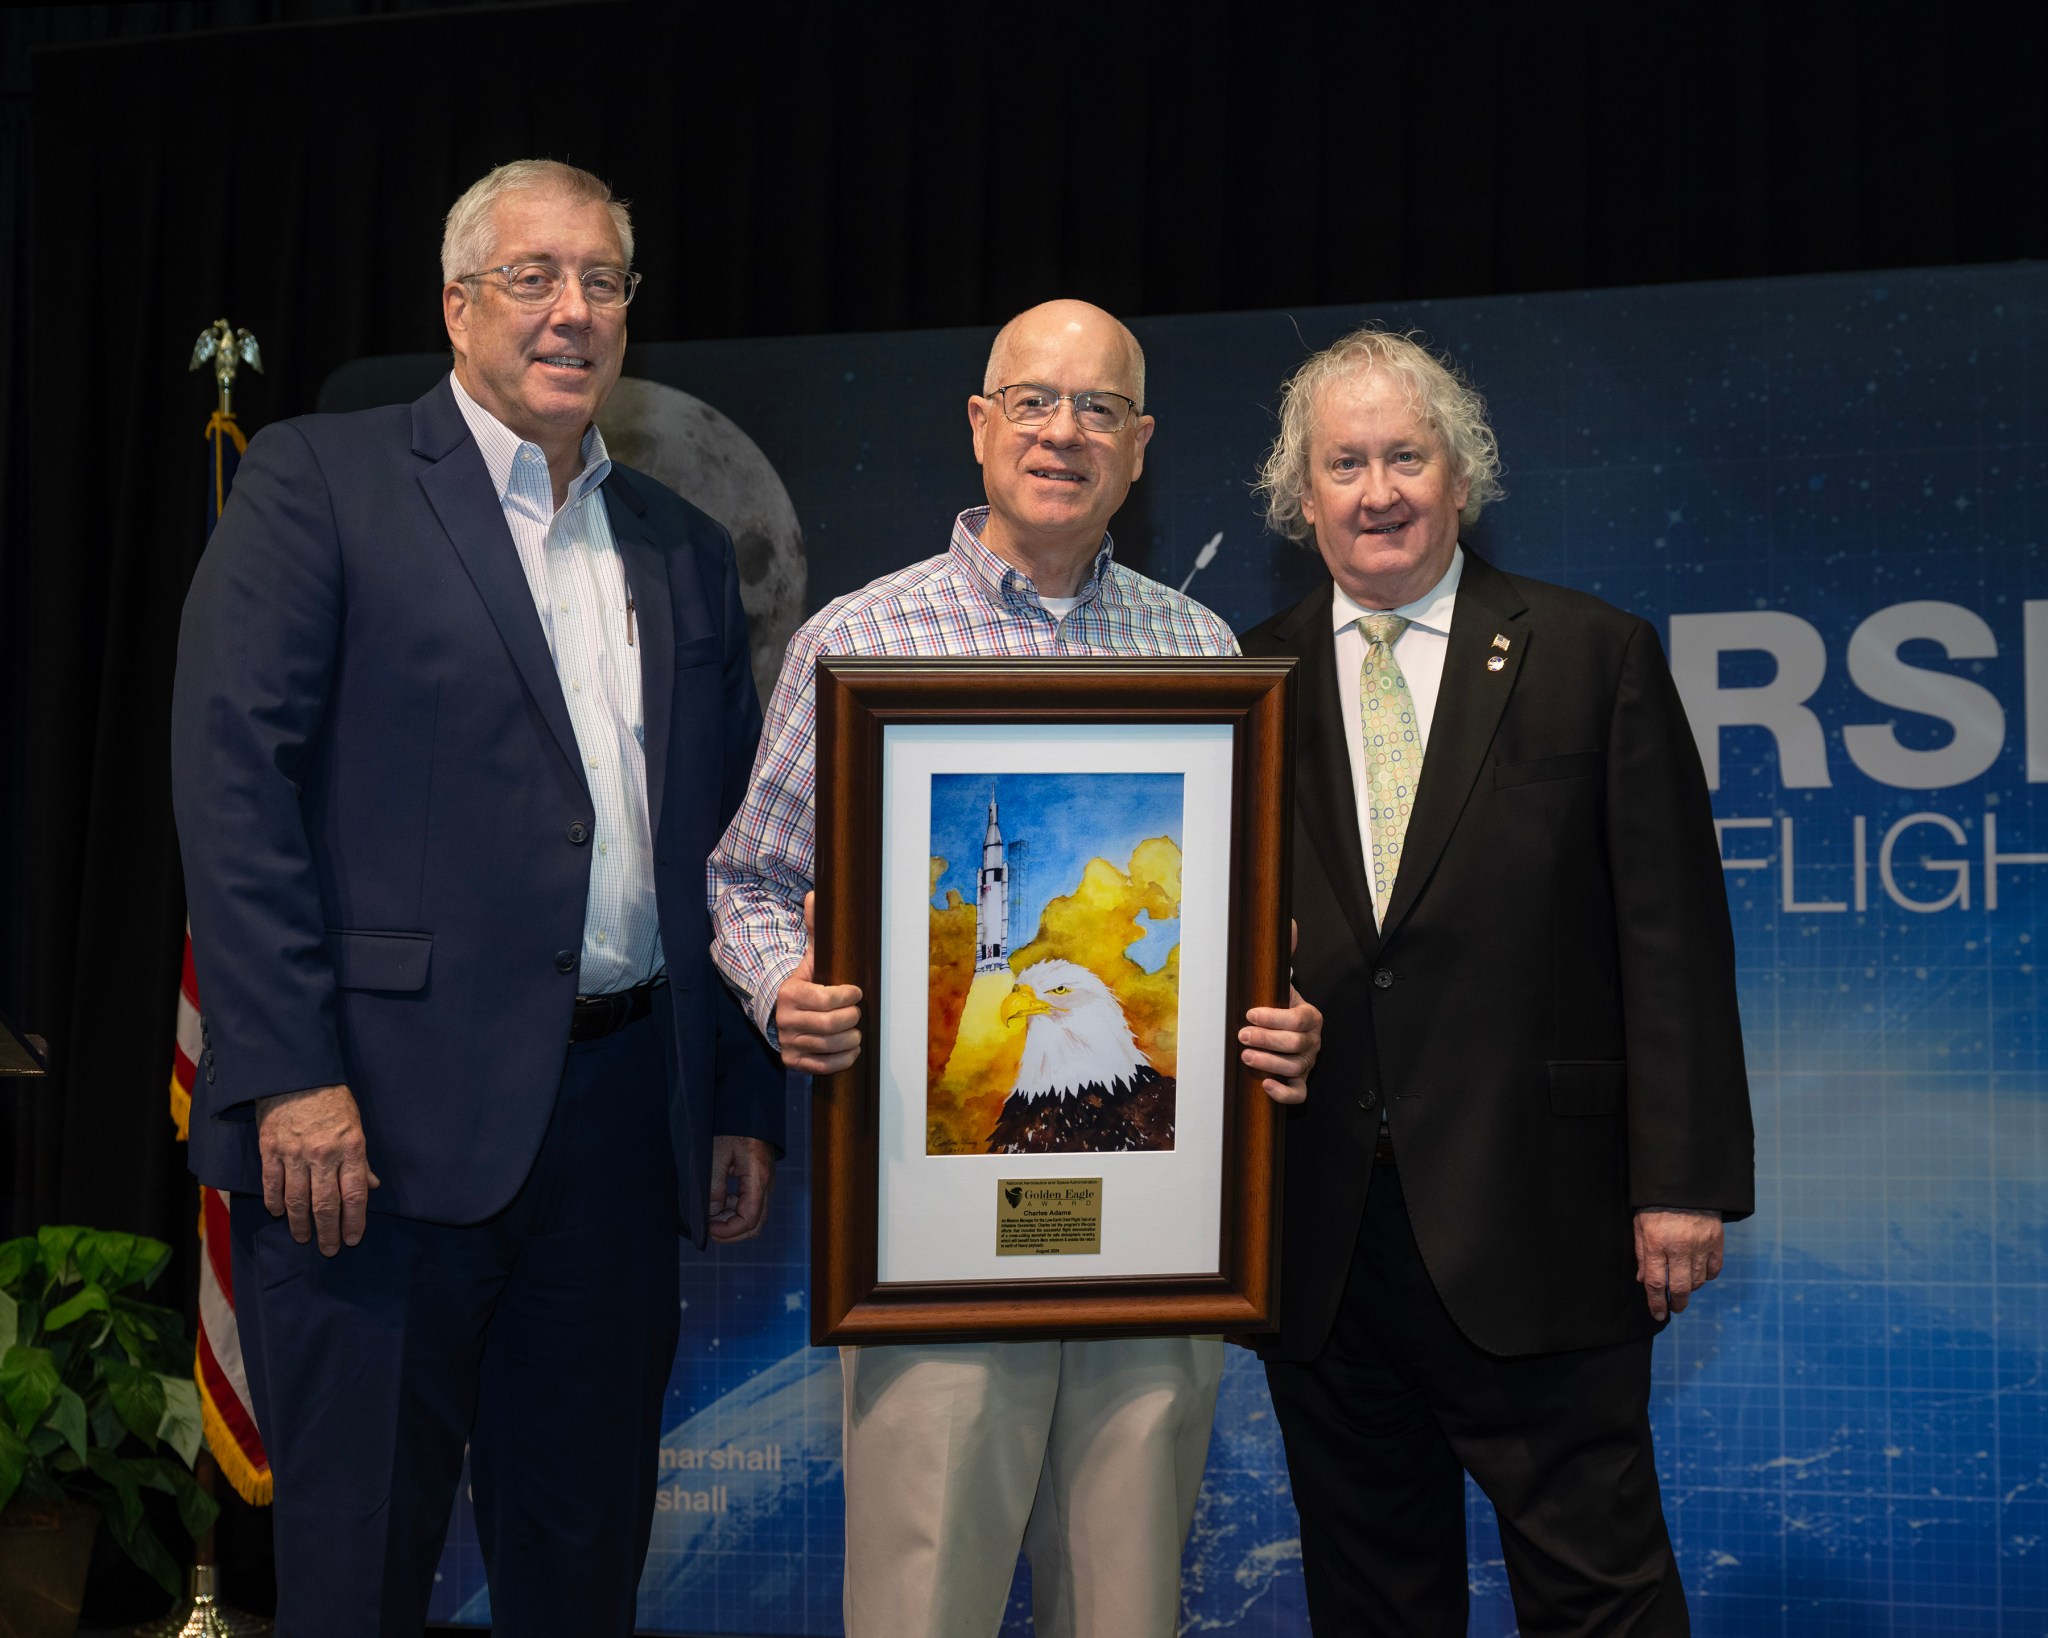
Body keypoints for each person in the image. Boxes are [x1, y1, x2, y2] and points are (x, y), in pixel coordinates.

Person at [170, 160, 783, 1638]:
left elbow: (736, 843)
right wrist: (294, 1074)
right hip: (369, 1137)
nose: (573, 312)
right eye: (535, 276)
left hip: (623, 1132)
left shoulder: (688, 553)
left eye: (605, 282)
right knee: (358, 1575)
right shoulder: (321, 483)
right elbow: (231, 786)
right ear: (456, 304)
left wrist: (740, 1093)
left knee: (579, 1575)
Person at [709, 298, 1322, 1638]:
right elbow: (748, 882)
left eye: (1098, 409)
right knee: (924, 1608)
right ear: (981, 424)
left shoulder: (1205, 653)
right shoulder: (852, 643)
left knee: (1128, 1613)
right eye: (1033, 402)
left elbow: (1247, 929)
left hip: (1158, 1249)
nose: (1063, 432)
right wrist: (784, 993)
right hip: (930, 1243)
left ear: (1142, 444)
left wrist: (1270, 1015)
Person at [1241, 326, 1755, 1635]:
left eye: (1405, 455)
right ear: (1303, 498)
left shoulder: (1595, 655)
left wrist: (1681, 1182)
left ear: (1460, 474)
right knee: (1372, 1600)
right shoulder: (1243, 681)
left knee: (1600, 1594)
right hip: (1322, 1241)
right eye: (1345, 463)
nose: (1378, 491)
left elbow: (1673, 942)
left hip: (1549, 1228)